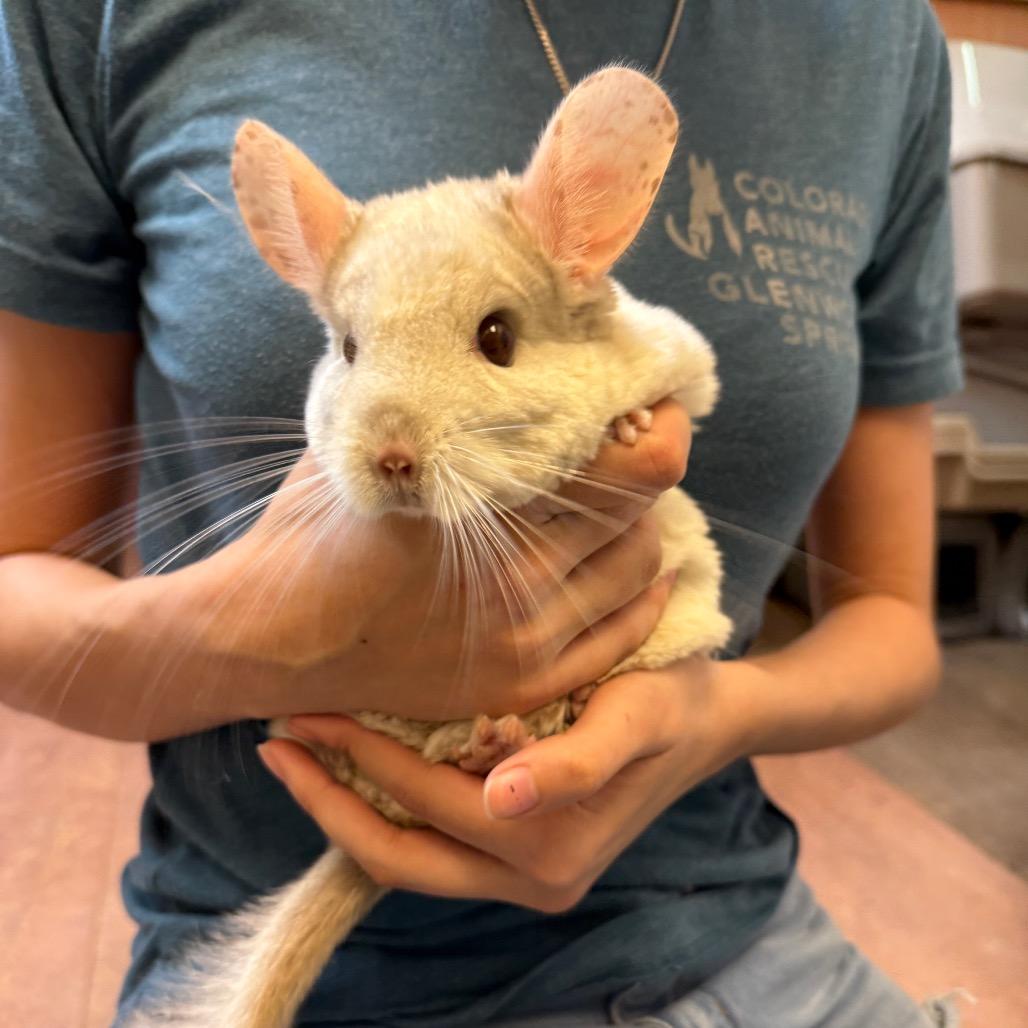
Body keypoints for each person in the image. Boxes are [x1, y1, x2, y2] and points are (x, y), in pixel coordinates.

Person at [0, 2, 963, 1025]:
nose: (395, 443)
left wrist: (700, 717)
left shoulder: (877, 36)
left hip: (720, 917)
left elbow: (893, 625)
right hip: (299, 955)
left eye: (494, 336)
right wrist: (263, 632)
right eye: (353, 349)